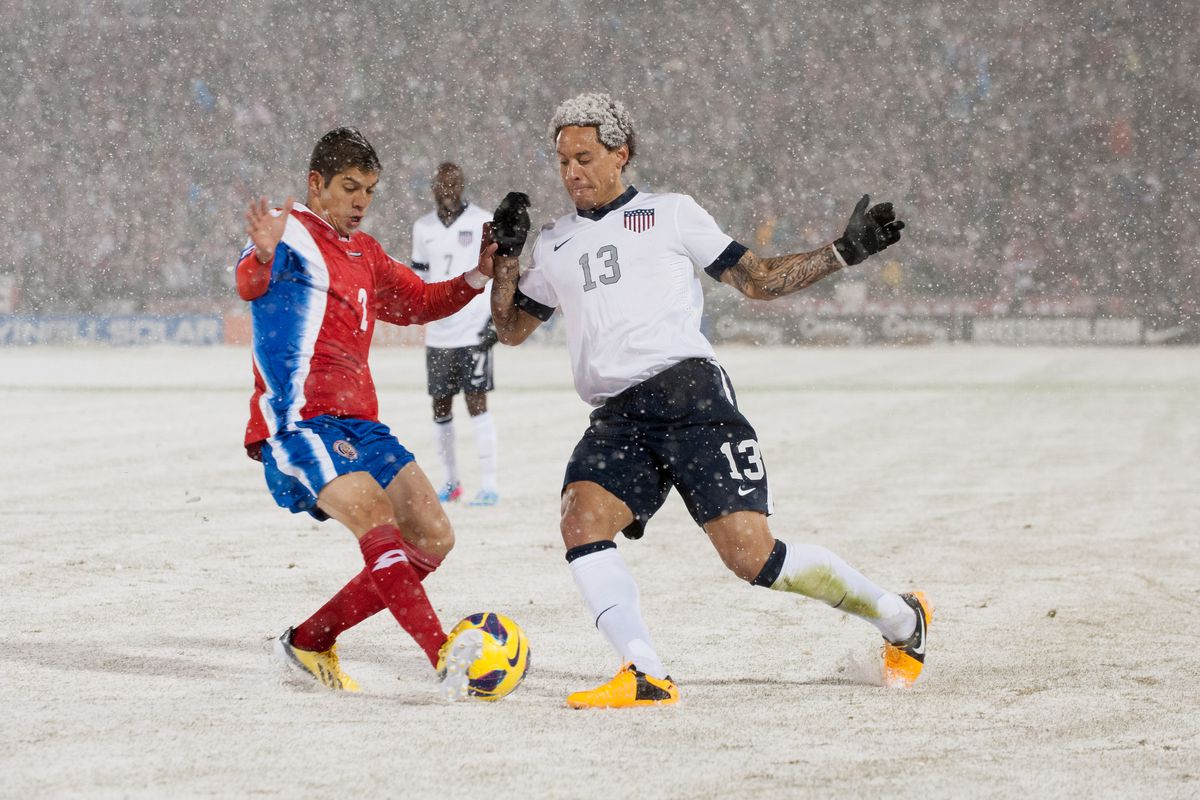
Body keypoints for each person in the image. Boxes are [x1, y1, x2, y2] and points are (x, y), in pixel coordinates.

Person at [490, 93, 929, 709]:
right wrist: (507, 259)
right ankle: (645, 673)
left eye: (584, 158)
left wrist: (843, 251)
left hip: (690, 398)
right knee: (580, 521)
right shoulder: (555, 242)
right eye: (563, 161)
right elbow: (511, 328)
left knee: (753, 558)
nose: (572, 173)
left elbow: (757, 280)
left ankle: (902, 620)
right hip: (617, 417)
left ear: (621, 153)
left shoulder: (670, 213)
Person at [236, 128, 497, 697]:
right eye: (350, 187)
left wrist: (479, 274)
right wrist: (261, 254)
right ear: (316, 183)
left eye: (370, 191)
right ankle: (443, 655)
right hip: (299, 423)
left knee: (432, 535)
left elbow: (421, 301)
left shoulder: (366, 252)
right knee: (375, 513)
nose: (361, 201)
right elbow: (249, 282)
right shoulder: (287, 231)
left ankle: (310, 640)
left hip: (361, 426)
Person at [410, 162, 501, 507]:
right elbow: (419, 279)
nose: (447, 190)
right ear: (433, 188)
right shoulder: (423, 228)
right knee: (440, 407)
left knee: (477, 404)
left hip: (473, 330)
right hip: (438, 333)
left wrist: (494, 320)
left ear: (462, 186)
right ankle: (451, 483)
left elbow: (498, 272)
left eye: (453, 184)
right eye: (442, 185)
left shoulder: (483, 221)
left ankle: (489, 485)